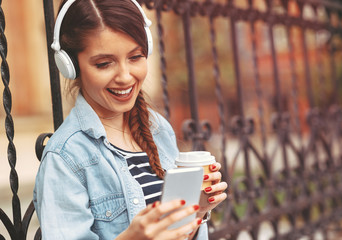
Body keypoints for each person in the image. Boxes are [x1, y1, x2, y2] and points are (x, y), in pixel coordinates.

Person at [33, 0, 228, 239]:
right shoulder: (65, 158)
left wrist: (194, 214)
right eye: (104, 64)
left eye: (135, 57)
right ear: (70, 65)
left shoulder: (158, 129)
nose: (125, 77)